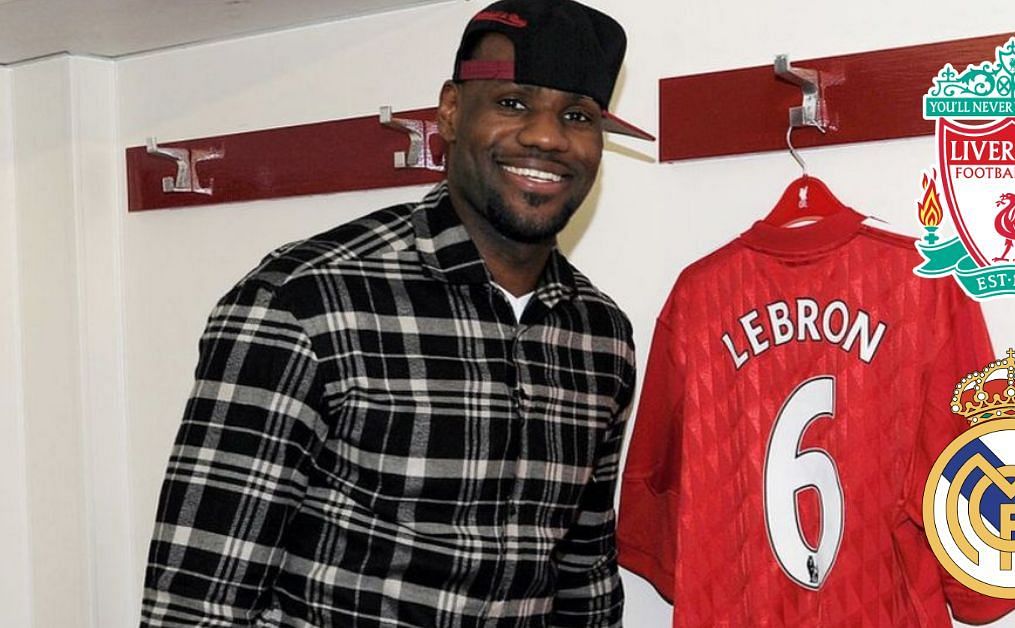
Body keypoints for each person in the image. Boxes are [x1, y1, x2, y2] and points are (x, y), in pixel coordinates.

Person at [141, 1, 651, 625]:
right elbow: (198, 599)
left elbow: (585, 579)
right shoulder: (305, 301)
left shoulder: (600, 335)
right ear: (452, 112)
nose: (546, 137)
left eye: (577, 115)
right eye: (513, 103)